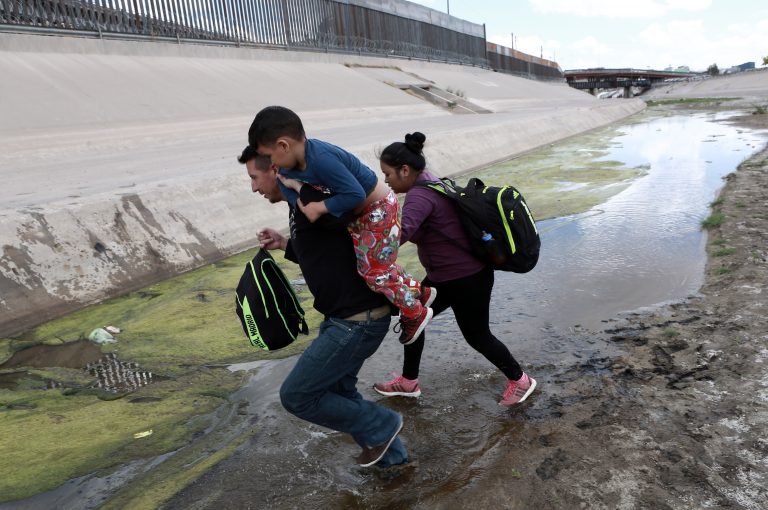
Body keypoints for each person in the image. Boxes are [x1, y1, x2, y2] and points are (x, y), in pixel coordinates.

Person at [238, 145, 408, 467]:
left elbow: (351, 203)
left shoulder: (313, 198)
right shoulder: (297, 205)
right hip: (346, 318)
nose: (253, 187)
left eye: (254, 177)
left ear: (275, 169)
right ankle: (395, 462)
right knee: (341, 394)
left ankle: (383, 424)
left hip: (357, 321)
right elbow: (326, 251)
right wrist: (284, 243)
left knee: (297, 396)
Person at [372, 133, 537, 407]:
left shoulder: (418, 195)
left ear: (405, 170)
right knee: (414, 317)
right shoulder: (432, 181)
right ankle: (408, 381)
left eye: (388, 174)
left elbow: (398, 237)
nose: (386, 181)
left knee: (476, 335)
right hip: (449, 277)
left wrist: (364, 240)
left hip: (465, 279)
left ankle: (520, 381)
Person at [247, 106, 435, 345]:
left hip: (378, 210)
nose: (272, 166)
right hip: (362, 214)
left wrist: (319, 208)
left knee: (374, 272)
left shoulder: (321, 159)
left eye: (270, 158)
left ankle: (415, 313)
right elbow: (290, 192)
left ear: (283, 146)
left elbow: (355, 194)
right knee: (376, 265)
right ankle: (419, 291)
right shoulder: (289, 167)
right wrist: (299, 200)